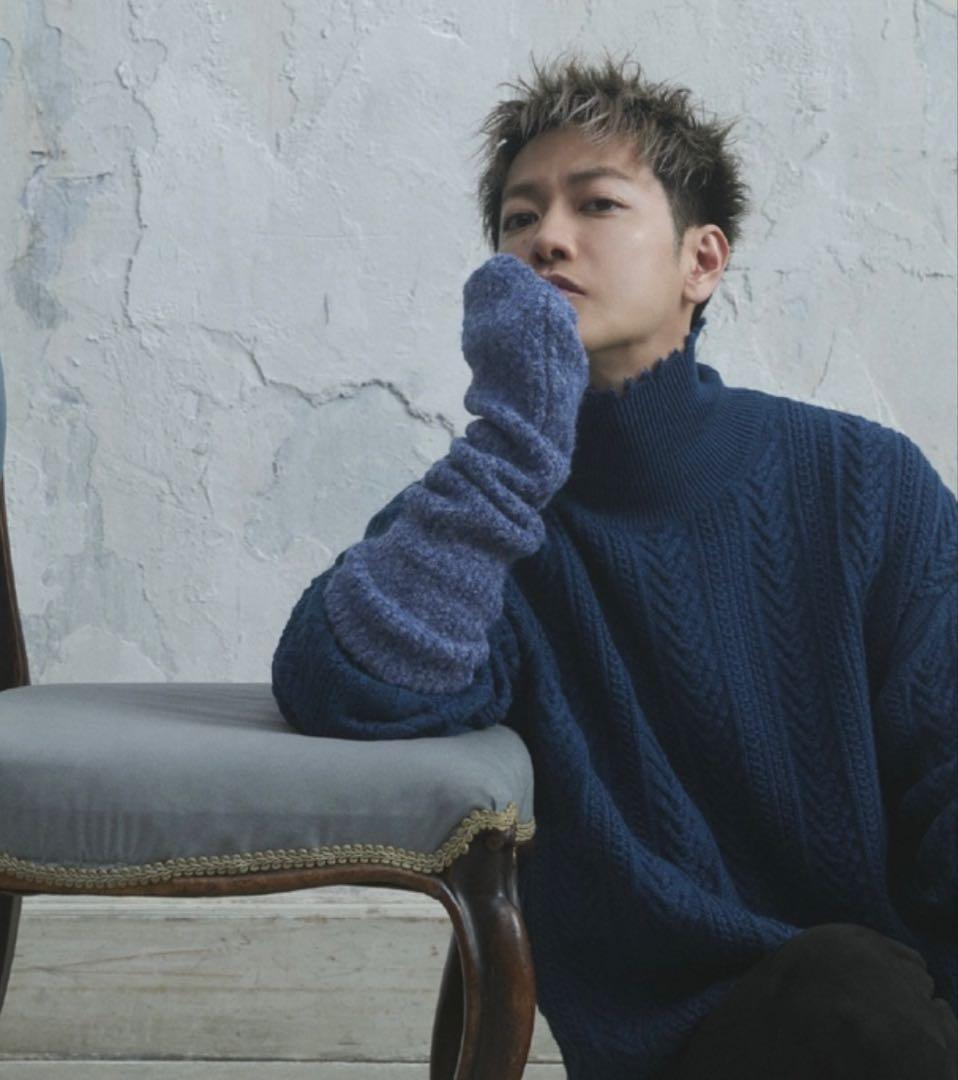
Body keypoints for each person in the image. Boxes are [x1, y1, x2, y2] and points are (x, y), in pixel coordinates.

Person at [271, 47, 957, 1079]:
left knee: (866, 996)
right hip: (700, 1036)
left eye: (596, 204)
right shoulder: (483, 517)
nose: (547, 238)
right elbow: (337, 684)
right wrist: (514, 447)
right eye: (518, 219)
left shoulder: (862, 480)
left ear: (701, 262)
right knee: (848, 1000)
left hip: (914, 1002)